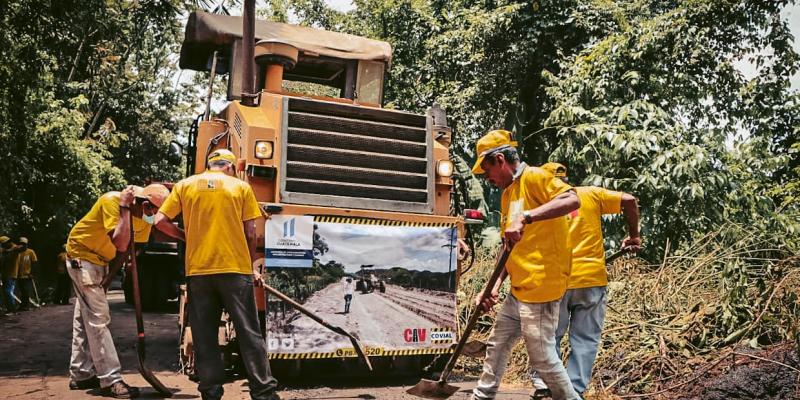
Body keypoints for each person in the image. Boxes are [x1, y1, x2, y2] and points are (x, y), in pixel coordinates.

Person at [154, 149, 280, 400]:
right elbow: (251, 232)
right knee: (249, 334)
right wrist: (251, 263)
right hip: (234, 270)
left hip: (199, 271)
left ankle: (210, 392)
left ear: (210, 166)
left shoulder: (185, 185)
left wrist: (185, 237)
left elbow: (158, 221)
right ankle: (263, 392)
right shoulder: (240, 187)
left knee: (205, 336)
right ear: (231, 168)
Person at [469, 130, 581, 400]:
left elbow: (572, 199)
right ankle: (482, 396)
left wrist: (526, 217)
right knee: (497, 344)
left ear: (499, 160)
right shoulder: (508, 193)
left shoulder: (535, 177)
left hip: (541, 288)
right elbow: (509, 247)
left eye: (487, 172)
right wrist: (492, 286)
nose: (488, 180)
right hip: (519, 289)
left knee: (542, 358)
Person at [529, 162, 641, 399]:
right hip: (591, 280)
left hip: (554, 282)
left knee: (549, 336)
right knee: (585, 339)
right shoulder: (590, 194)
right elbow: (630, 200)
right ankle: (574, 390)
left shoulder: (538, 206)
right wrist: (634, 236)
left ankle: (543, 385)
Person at [66, 183, 173, 398]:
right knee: (98, 319)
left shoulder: (145, 218)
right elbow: (120, 242)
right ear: (142, 203)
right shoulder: (112, 201)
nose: (153, 216)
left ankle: (81, 373)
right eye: (152, 210)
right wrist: (124, 208)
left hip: (102, 260)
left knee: (83, 318)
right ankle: (110, 380)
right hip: (82, 256)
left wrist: (109, 277)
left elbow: (127, 251)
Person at [14, 237, 38, 311]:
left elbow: (34, 263)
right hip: (18, 275)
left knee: (26, 291)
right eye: (21, 244)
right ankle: (23, 305)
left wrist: (32, 273)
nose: (22, 245)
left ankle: (26, 305)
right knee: (22, 291)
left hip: (27, 275)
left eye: (24, 244)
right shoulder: (17, 252)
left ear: (27, 244)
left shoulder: (30, 252)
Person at [1, 236, 23, 314]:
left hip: (11, 274)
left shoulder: (15, 248)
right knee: (5, 292)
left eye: (3, 244)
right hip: (4, 273)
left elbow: (21, 247)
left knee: (8, 291)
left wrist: (9, 250)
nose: (2, 246)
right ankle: (9, 309)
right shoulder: (3, 250)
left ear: (8, 242)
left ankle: (13, 310)